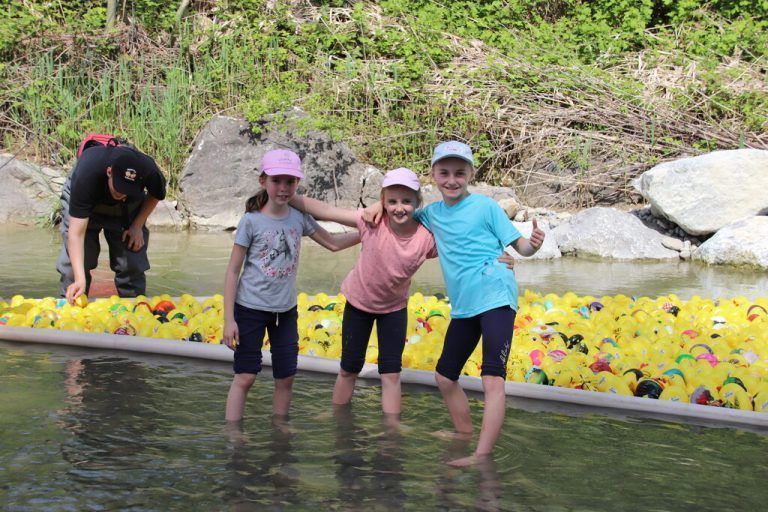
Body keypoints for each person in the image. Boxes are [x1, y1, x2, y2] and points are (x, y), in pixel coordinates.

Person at [365, 141, 545, 466]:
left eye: (459, 173)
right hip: (464, 307)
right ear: (433, 175)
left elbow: (520, 247)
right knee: (445, 377)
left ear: (470, 174)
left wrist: (532, 245)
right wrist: (377, 207)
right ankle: (464, 433)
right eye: (444, 173)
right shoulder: (431, 213)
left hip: (496, 296)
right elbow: (399, 210)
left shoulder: (486, 207)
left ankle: (482, 455)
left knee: (493, 379)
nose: (451, 180)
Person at [291, 168, 516, 417]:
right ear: (384, 202)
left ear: (417, 202)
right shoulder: (371, 222)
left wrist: (497, 257)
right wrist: (287, 195)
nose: (400, 208)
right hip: (359, 304)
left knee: (391, 373)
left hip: (394, 310)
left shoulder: (426, 237)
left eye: (407, 201)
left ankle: (392, 430)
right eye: (393, 202)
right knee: (348, 368)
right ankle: (338, 418)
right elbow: (327, 211)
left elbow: (462, 241)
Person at [222, 149, 360, 422]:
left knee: (286, 377)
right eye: (277, 181)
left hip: (285, 311)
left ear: (297, 184)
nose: (283, 188)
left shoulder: (298, 218)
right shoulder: (251, 221)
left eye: (290, 182)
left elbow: (332, 243)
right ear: (263, 181)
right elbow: (232, 271)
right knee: (246, 376)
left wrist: (366, 233)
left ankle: (280, 426)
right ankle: (233, 432)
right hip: (249, 309)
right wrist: (229, 319)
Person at [57, 143, 166, 303]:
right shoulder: (87, 174)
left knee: (131, 261)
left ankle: (135, 309)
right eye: (119, 189)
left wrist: (137, 226)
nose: (122, 195)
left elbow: (157, 194)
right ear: (109, 172)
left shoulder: (149, 170)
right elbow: (76, 234)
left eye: (128, 191)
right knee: (75, 266)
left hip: (127, 210)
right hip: (88, 199)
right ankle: (71, 305)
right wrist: (80, 279)